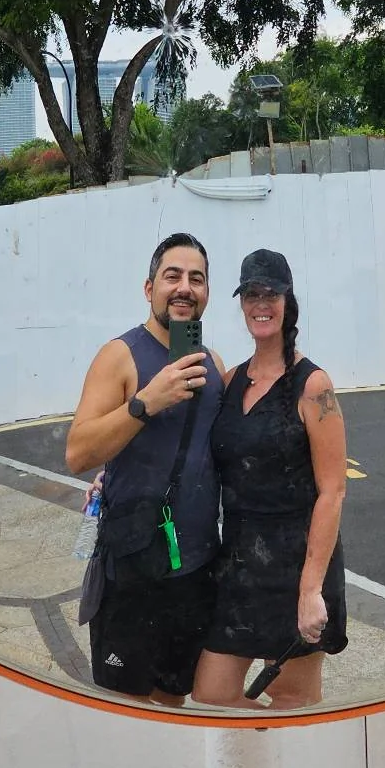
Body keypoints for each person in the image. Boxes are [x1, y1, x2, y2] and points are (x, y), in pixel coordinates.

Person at [66, 232, 226, 705]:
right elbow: (77, 452)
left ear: (207, 293)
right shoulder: (119, 354)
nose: (184, 288)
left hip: (195, 568)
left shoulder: (212, 362)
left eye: (196, 279)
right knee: (124, 709)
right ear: (148, 287)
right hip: (133, 569)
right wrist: (144, 403)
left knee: (174, 703)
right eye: (172, 276)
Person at [193, 248, 347, 711]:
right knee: (212, 694)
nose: (261, 304)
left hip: (297, 566)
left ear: (287, 300)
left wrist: (310, 590)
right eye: (252, 294)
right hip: (238, 564)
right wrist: (112, 474)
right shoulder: (230, 379)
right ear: (241, 303)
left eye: (271, 294)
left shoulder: (313, 385)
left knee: (292, 700)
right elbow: (190, 451)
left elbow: (333, 490)